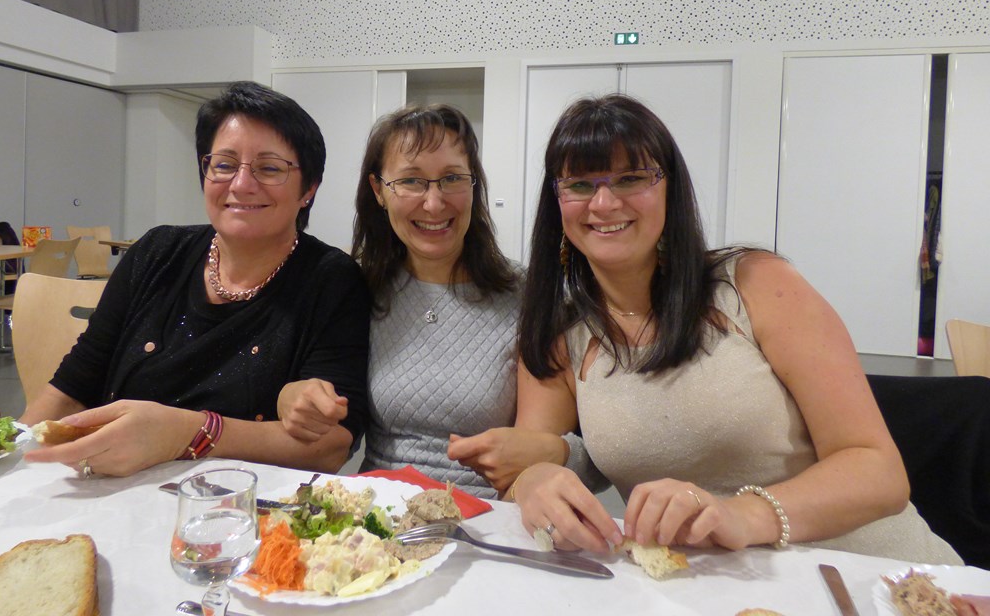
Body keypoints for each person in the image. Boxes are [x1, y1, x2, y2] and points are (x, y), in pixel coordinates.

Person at [507, 93, 960, 563]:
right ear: (557, 202)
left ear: (669, 190)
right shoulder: (560, 333)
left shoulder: (754, 284)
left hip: (875, 576)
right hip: (711, 589)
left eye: (631, 178)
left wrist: (742, 515)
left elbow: (879, 471)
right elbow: (527, 456)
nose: (603, 202)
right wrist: (532, 482)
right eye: (580, 184)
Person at [21, 81, 370, 477]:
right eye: (224, 165)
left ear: (309, 189)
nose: (241, 184)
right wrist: (11, 465)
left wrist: (191, 433)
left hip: (244, 504)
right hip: (112, 490)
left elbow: (331, 446)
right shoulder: (157, 252)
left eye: (270, 168)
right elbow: (72, 387)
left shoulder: (331, 280)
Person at [278, 104, 564, 499]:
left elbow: (534, 462)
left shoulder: (528, 296)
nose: (433, 203)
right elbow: (331, 413)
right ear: (379, 191)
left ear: (474, 184)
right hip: (374, 511)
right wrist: (291, 397)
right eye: (411, 181)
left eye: (452, 178)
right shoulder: (356, 286)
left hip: (482, 516)